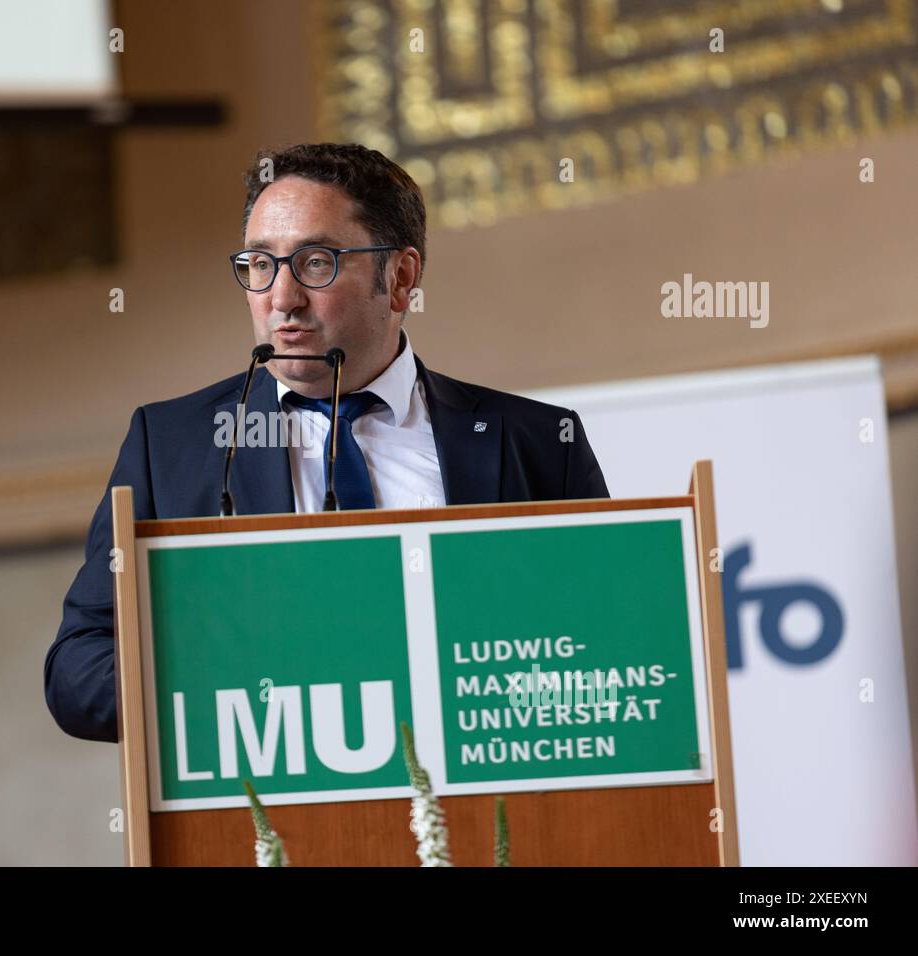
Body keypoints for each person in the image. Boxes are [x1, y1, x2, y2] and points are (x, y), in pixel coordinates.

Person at [45, 142, 609, 742]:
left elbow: (609, 643)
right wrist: (237, 691)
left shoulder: (538, 442)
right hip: (265, 815)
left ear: (400, 278)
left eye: (316, 262)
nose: (281, 298)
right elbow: (79, 671)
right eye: (260, 265)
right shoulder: (172, 447)